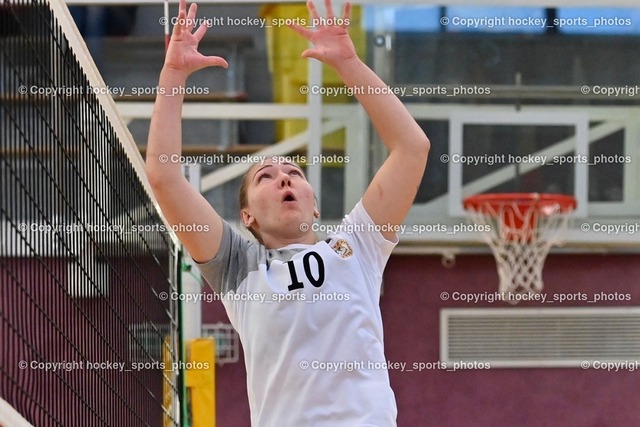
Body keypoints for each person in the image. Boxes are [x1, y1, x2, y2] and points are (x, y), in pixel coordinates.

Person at [146, 0, 430, 425]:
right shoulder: (238, 267)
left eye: (294, 173)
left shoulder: (359, 244)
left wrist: (349, 63)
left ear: (314, 204)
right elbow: (165, 179)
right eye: (265, 177)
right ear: (247, 218)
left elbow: (412, 149)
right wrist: (173, 77)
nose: (283, 179)